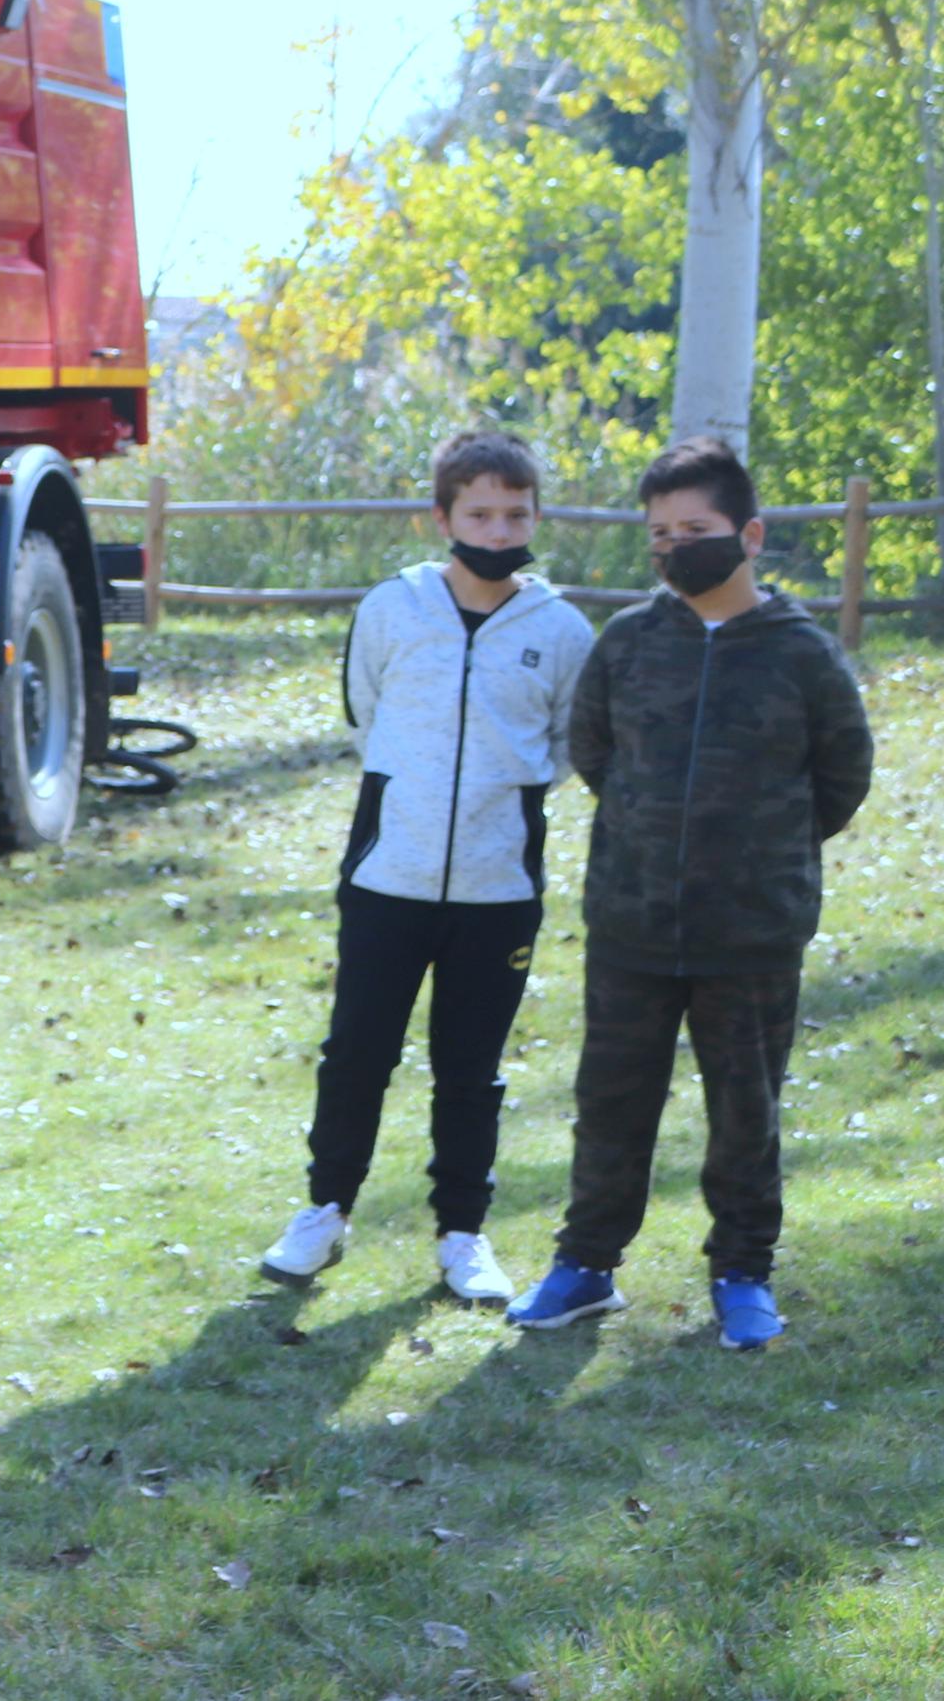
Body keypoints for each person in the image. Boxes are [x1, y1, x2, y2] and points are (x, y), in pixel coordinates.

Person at [508, 437, 876, 1350]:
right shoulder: (628, 642)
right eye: (660, 535)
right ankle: (585, 1265)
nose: (677, 547)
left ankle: (742, 1272)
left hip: (750, 932)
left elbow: (841, 778)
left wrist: (757, 848)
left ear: (749, 534)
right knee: (610, 1102)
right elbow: (594, 752)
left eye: (697, 529)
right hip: (630, 923)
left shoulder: (804, 656)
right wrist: (649, 833)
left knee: (744, 1111)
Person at [254, 430, 593, 1305]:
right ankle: (324, 1211)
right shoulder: (390, 609)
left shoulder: (559, 630)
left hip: (497, 890)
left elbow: (563, 743)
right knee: (356, 1053)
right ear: (441, 517)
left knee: (470, 1067)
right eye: (477, 512)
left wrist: (494, 802)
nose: (495, 528)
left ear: (534, 518)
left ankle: (461, 1233)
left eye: (514, 513)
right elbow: (365, 712)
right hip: (386, 880)